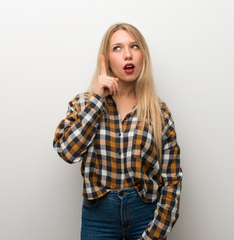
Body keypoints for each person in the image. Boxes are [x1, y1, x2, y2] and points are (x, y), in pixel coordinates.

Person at [53, 23, 182, 240]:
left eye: (134, 46)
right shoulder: (84, 103)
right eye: (118, 48)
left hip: (145, 214)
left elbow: (172, 181)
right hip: (98, 216)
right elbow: (67, 152)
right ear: (106, 59)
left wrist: (154, 234)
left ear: (143, 56)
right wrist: (97, 101)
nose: (128, 55)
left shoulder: (159, 112)